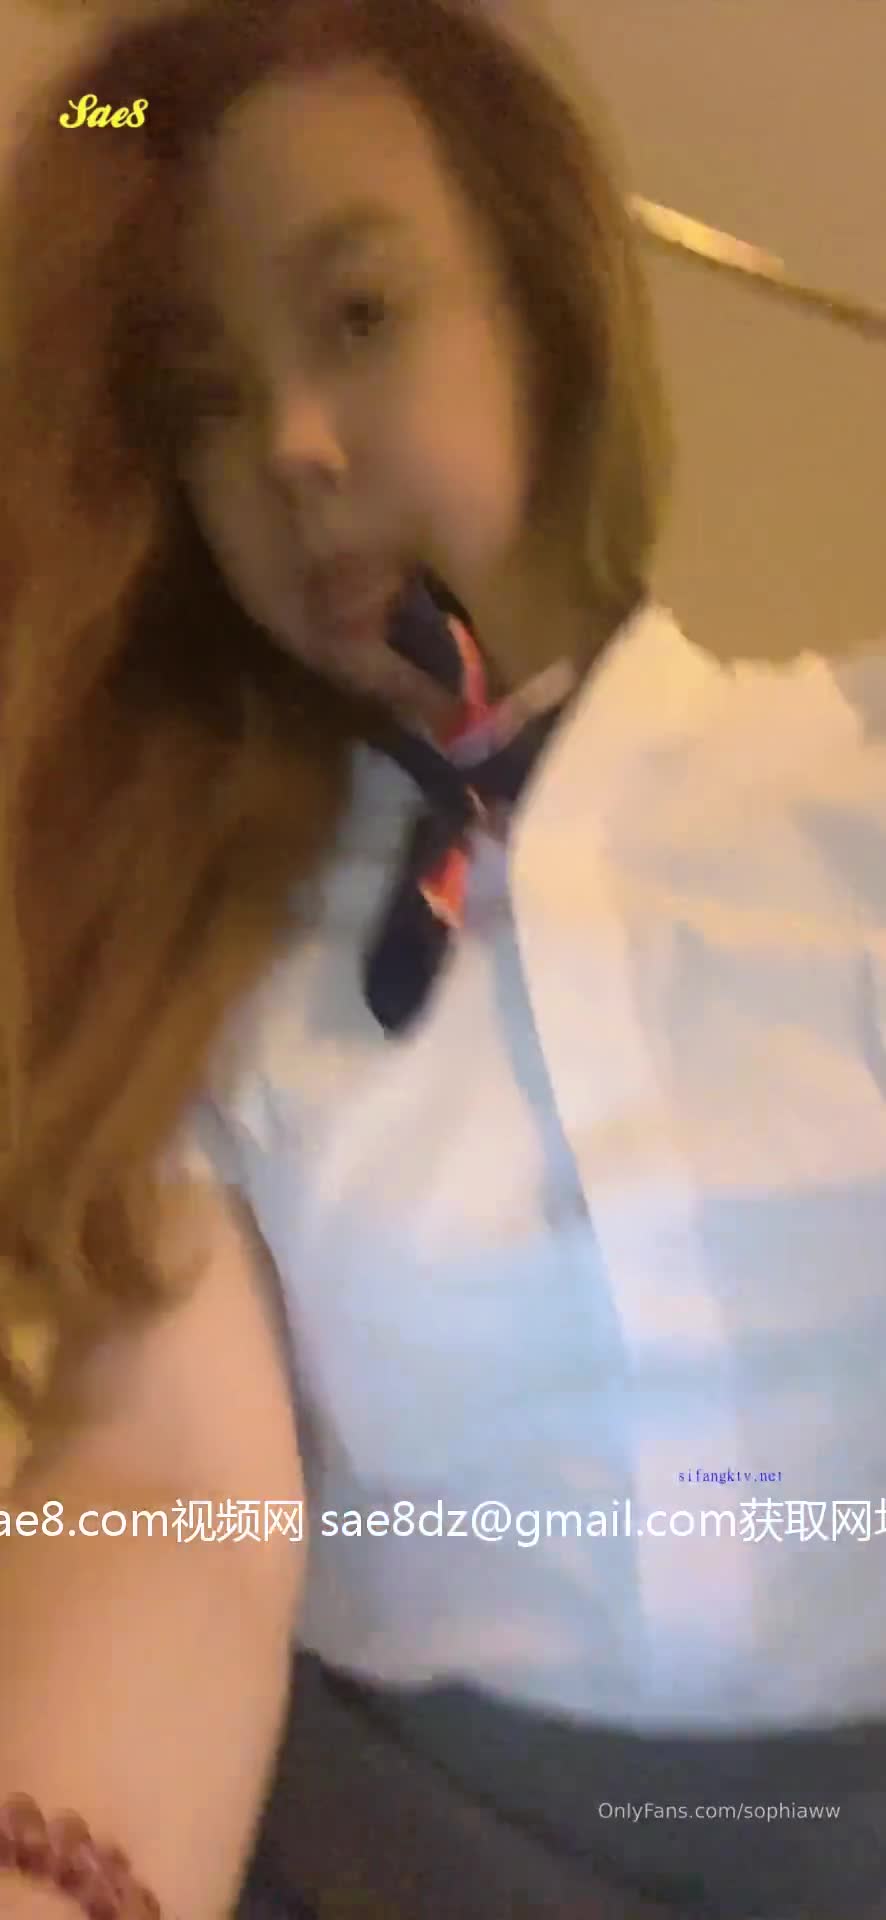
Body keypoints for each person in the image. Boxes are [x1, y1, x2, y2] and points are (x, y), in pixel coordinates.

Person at [1, 2, 885, 1916]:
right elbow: (168, 1492)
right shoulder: (203, 961)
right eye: (205, 397)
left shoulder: (855, 779)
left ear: (541, 297)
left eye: (359, 315)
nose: (293, 449)